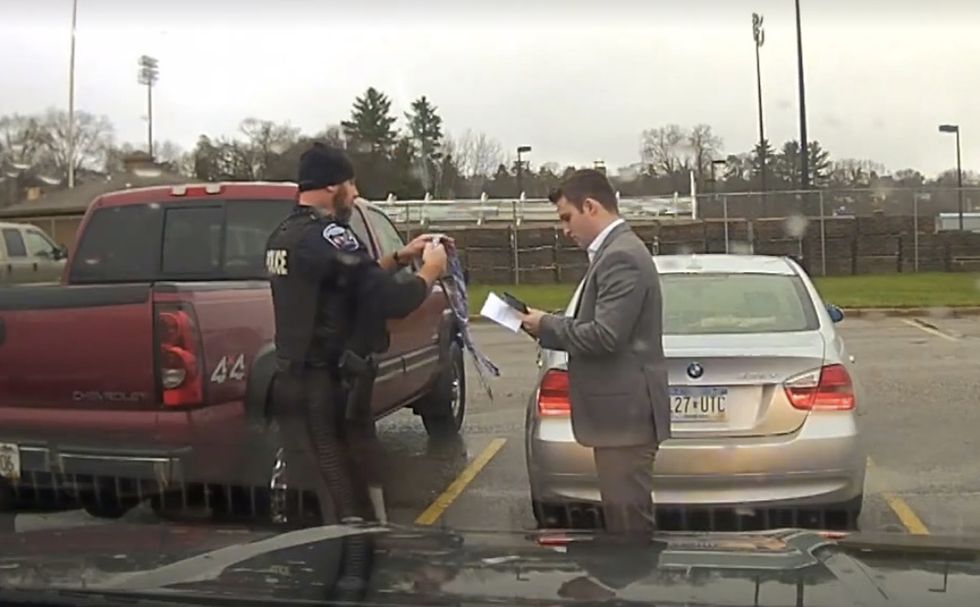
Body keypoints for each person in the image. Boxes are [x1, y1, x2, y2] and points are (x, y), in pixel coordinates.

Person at [265, 142, 448, 524]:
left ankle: (328, 560)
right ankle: (352, 568)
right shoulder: (328, 236)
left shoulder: (285, 234)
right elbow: (391, 300)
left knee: (319, 485)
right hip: (327, 386)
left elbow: (346, 283)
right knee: (348, 496)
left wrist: (399, 257)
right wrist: (430, 270)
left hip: (295, 379)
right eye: (351, 183)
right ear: (333, 187)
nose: (356, 193)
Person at [518, 169, 671, 538]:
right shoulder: (614, 253)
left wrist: (547, 325)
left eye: (567, 218)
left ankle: (630, 588)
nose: (565, 229)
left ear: (591, 206)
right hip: (620, 418)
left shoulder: (622, 256)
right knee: (623, 518)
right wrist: (544, 326)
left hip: (625, 419)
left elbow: (606, 336)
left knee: (628, 525)